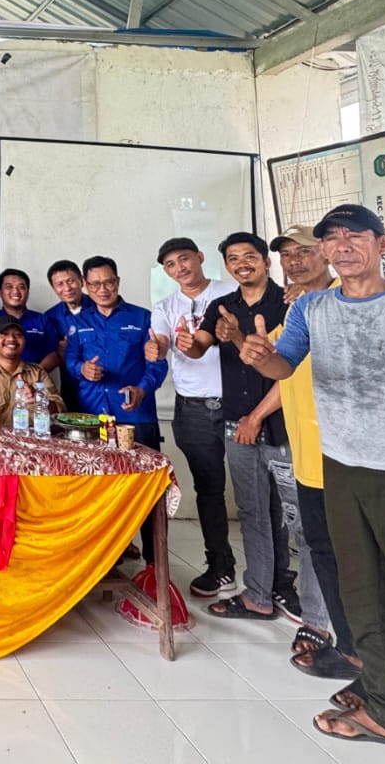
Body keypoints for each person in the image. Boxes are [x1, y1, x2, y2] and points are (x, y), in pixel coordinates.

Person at [240, 204, 385, 757]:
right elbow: (285, 366)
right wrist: (261, 358)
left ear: (383, 243)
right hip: (339, 468)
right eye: (331, 238)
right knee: (364, 597)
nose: (342, 246)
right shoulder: (312, 307)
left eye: (354, 235)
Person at [177, 233, 295, 622]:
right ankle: (260, 593)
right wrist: (187, 344)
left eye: (249, 256)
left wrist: (256, 417)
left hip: (282, 422)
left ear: (265, 260)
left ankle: (283, 587)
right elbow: (201, 346)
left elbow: (294, 372)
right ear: (226, 266)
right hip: (237, 422)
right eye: (233, 258)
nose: (241, 263)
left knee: (290, 513)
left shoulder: (288, 303)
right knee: (254, 510)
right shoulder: (222, 307)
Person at [265, 229, 358, 680]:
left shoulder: (348, 302)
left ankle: (364, 651)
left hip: (348, 457)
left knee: (354, 556)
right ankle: (348, 648)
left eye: (303, 251)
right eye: (287, 255)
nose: (294, 261)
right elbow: (280, 366)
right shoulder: (298, 310)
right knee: (321, 549)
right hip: (307, 456)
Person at [147, 237, 239, 597]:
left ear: (199, 257)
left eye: (184, 259)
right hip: (194, 408)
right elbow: (161, 342)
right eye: (170, 265)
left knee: (257, 493)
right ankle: (220, 567)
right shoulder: (165, 306)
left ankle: (275, 578)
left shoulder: (230, 291)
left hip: (240, 404)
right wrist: (156, 348)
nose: (179, 268)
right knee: (209, 490)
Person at [65, 255, 168, 558]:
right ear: (86, 286)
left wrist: (142, 389)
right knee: (97, 491)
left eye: (108, 282)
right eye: (95, 284)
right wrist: (81, 369)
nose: (102, 289)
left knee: (146, 490)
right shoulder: (78, 322)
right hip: (92, 418)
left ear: (118, 282)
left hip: (135, 416)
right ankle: (106, 558)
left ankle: (154, 562)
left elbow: (158, 364)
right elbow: (70, 360)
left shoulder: (142, 318)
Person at [0, 314, 64, 427]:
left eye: (18, 334)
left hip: (32, 437)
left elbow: (60, 412)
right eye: (4, 334)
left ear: (24, 341)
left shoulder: (38, 373)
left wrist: (39, 399)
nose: (11, 339)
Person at [0, 268, 62, 373]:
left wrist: (33, 376)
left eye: (21, 287)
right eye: (9, 286)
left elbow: (55, 354)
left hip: (35, 379)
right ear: (0, 292)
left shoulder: (42, 320)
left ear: (27, 292)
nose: (15, 291)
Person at [45, 259, 94, 419]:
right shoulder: (50, 317)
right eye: (59, 284)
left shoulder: (100, 306)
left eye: (71, 281)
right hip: (70, 387)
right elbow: (52, 354)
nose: (67, 288)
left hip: (101, 386)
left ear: (81, 281)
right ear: (54, 288)